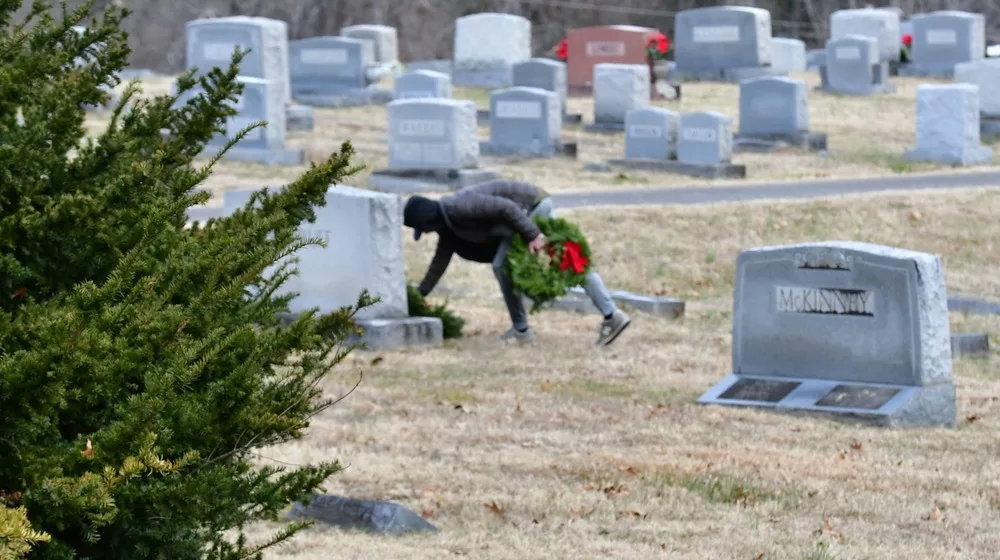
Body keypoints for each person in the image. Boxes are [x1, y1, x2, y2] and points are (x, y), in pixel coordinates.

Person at [403, 180, 631, 346]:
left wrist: (532, 234)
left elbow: (505, 208)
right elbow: (439, 263)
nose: (426, 232)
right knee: (566, 260)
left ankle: (523, 331)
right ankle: (609, 314)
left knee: (520, 264)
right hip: (523, 215)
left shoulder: (459, 206)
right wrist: (419, 294)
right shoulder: (449, 227)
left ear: (428, 221)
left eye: (423, 228)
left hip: (531, 207)